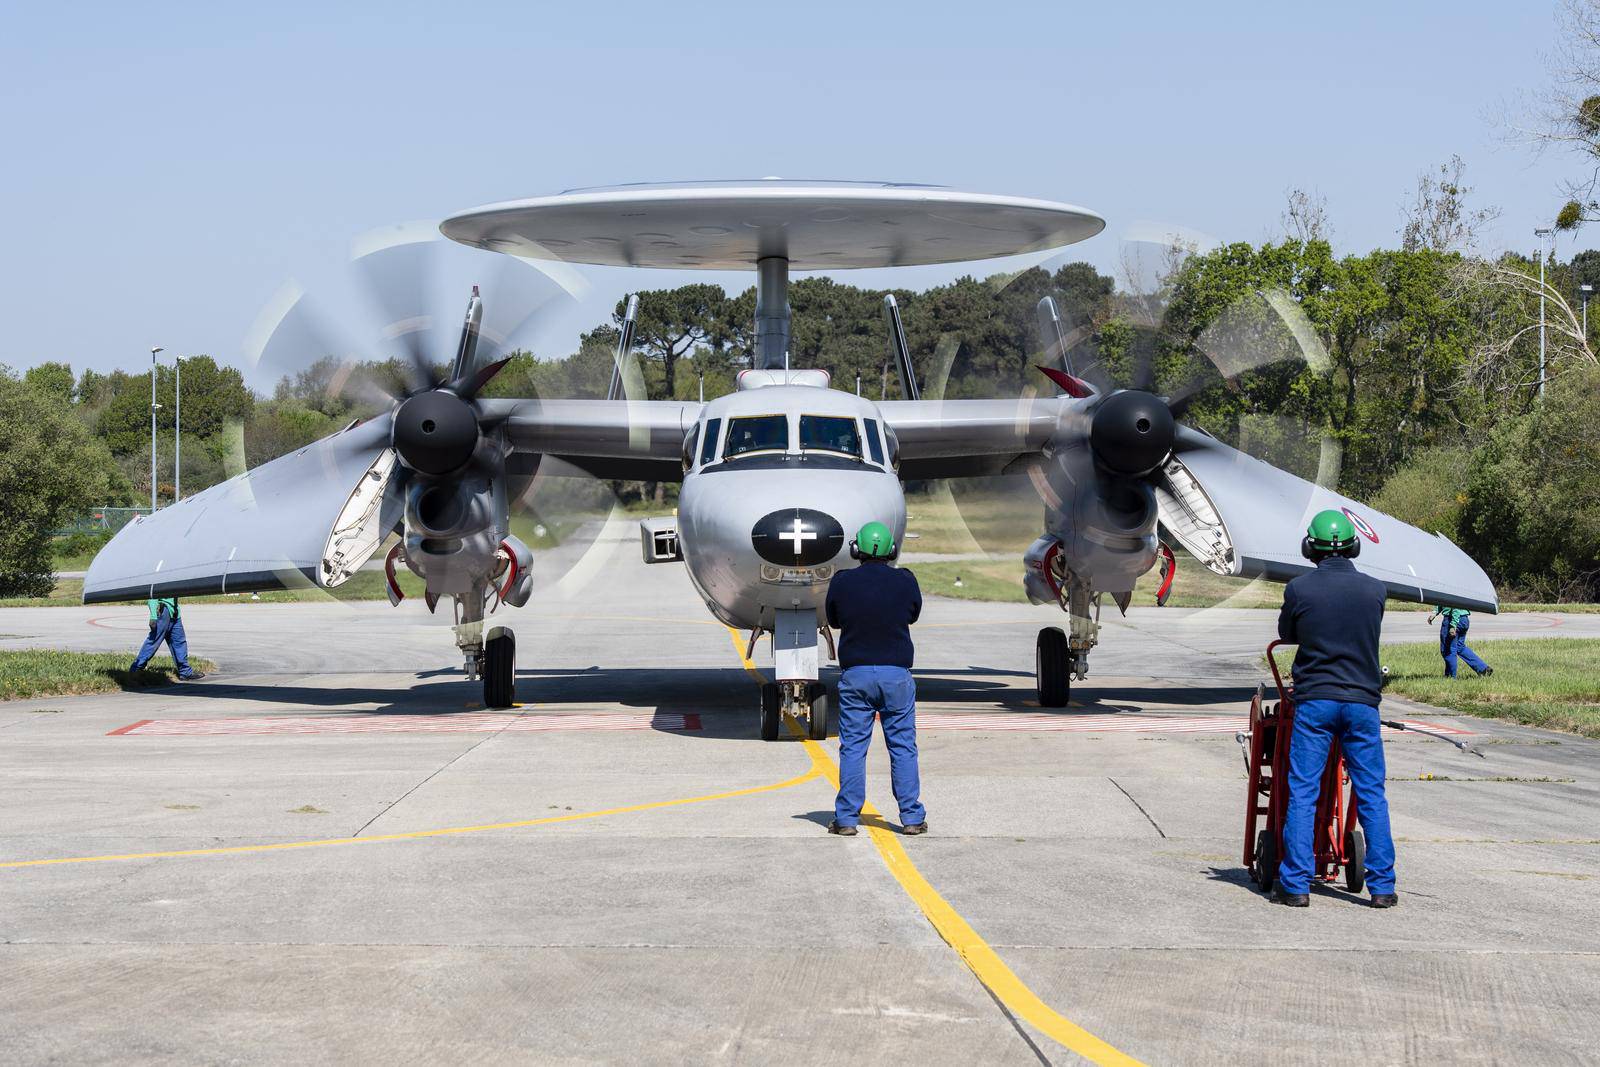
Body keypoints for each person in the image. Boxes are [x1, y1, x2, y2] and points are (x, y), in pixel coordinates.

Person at [1272, 510, 1397, 908]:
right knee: (1371, 794)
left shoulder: (1299, 589)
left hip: (1316, 704)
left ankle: (1294, 886)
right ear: (1354, 546)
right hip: (1362, 704)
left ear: (1310, 547)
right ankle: (1382, 888)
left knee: (1303, 791)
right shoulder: (1375, 590)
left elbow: (1286, 633)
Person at [823, 520, 926, 837]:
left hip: (857, 676)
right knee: (903, 748)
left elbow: (833, 618)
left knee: (853, 748)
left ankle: (847, 819)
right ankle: (911, 817)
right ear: (891, 550)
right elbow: (913, 613)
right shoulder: (905, 580)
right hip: (896, 675)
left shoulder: (842, 582)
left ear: (857, 550)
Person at [129, 596, 205, 681]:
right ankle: (135, 670)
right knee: (154, 641)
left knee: (179, 642)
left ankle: (185, 672)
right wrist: (153, 616)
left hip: (175, 612)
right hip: (164, 611)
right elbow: (152, 594)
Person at [1429, 605, 1492, 679]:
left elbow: (1455, 605)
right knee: (1460, 647)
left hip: (1453, 619)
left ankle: (1450, 677)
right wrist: (1434, 613)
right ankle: (1483, 669)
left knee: (1448, 650)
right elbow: (1442, 600)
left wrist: (1453, 625)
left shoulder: (1452, 593)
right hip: (1464, 619)